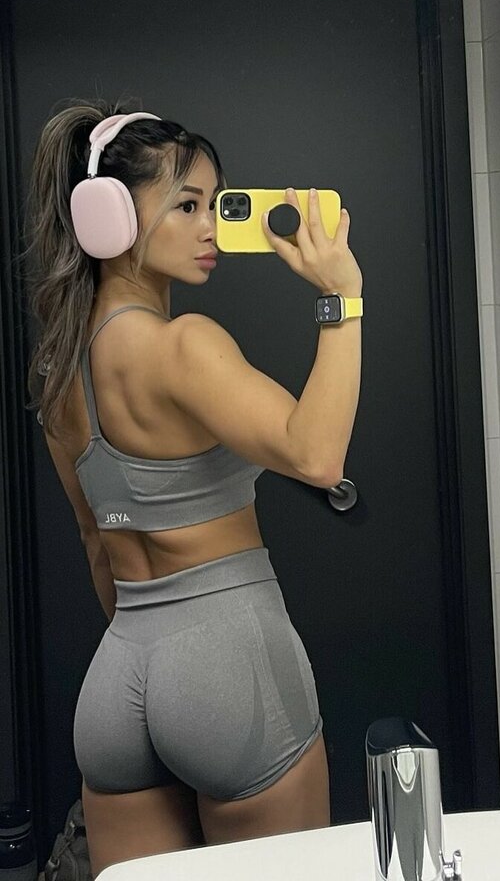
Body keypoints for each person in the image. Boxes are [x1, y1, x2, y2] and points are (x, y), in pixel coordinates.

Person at [20, 100, 363, 877]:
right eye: (187, 206)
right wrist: (341, 295)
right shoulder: (184, 345)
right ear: (109, 220)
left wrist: (157, 660)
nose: (211, 228)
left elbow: (96, 543)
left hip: (117, 684)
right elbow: (317, 457)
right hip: (228, 662)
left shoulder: (60, 373)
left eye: (215, 204)